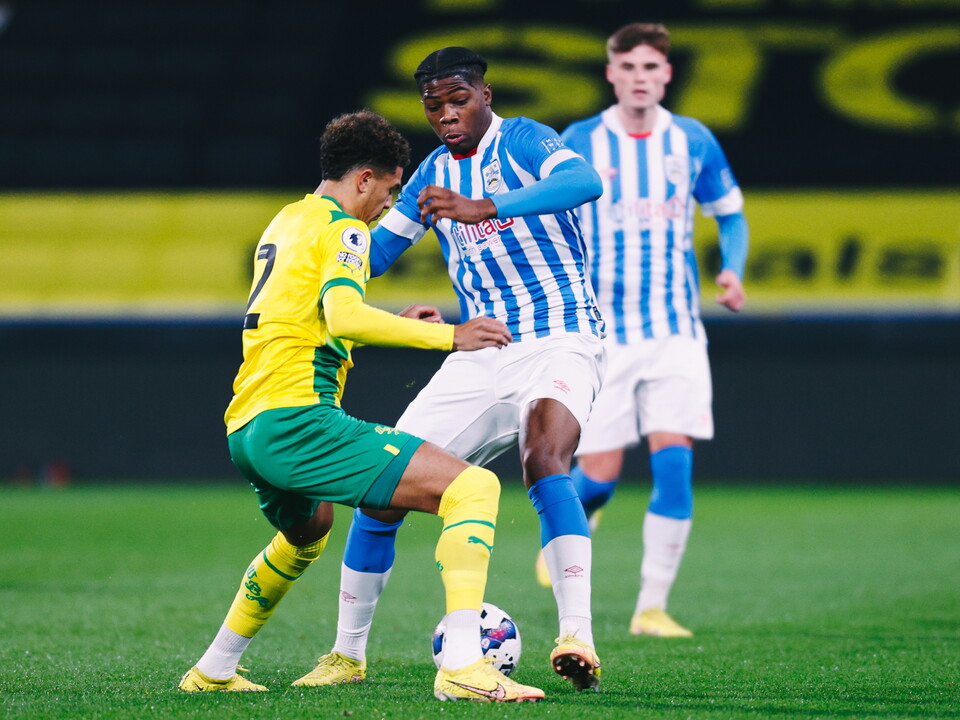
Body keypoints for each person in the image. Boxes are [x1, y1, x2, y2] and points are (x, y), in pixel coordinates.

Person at [177, 109, 545, 703]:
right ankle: (462, 665)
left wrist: (395, 324)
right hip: (299, 421)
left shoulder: (288, 220)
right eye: (392, 190)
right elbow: (344, 314)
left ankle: (214, 669)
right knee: (473, 489)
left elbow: (311, 324)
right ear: (366, 178)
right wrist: (450, 335)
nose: (387, 205)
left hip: (248, 425)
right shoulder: (346, 231)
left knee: (310, 531)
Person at [296, 47, 607, 692]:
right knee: (382, 487)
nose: (446, 114)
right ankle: (345, 655)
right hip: (476, 350)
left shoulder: (526, 141)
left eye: (457, 99)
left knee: (544, 457)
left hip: (560, 337)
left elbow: (586, 183)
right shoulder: (433, 174)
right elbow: (376, 251)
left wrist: (488, 206)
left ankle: (577, 634)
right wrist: (323, 228)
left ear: (485, 95)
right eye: (433, 105)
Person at [540, 22, 749, 638]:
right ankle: (581, 515)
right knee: (598, 474)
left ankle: (651, 608)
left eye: (650, 68)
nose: (639, 79)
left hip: (676, 328)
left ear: (666, 74)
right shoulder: (581, 140)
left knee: (674, 461)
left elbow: (730, 214)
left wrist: (731, 270)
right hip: (604, 334)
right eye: (628, 68)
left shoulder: (693, 140)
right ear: (611, 74)